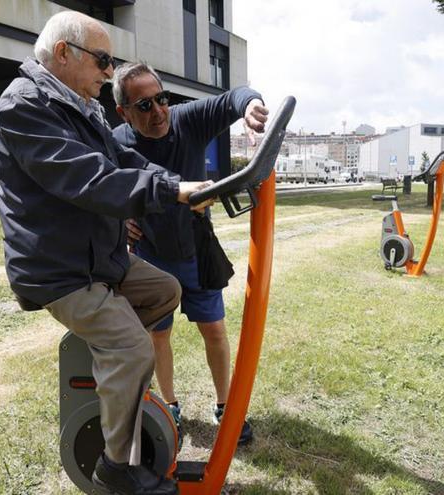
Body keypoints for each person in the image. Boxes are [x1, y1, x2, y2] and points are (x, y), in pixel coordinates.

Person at [0, 12, 214, 495]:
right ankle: (115, 469)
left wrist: (180, 185)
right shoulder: (23, 107)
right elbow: (87, 176)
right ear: (64, 53)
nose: (110, 73)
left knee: (165, 290)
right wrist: (170, 193)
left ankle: (120, 387)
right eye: (104, 60)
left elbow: (124, 160)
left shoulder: (79, 103)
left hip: (97, 256)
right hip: (59, 269)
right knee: (132, 346)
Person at [111, 62, 268, 445]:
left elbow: (235, 96)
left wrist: (251, 107)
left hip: (197, 249)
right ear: (124, 112)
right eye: (144, 106)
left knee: (213, 329)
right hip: (149, 255)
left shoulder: (187, 120)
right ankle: (169, 407)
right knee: (156, 337)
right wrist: (119, 222)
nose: (158, 111)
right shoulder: (115, 142)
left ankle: (225, 406)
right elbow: (99, 188)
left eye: (161, 99)